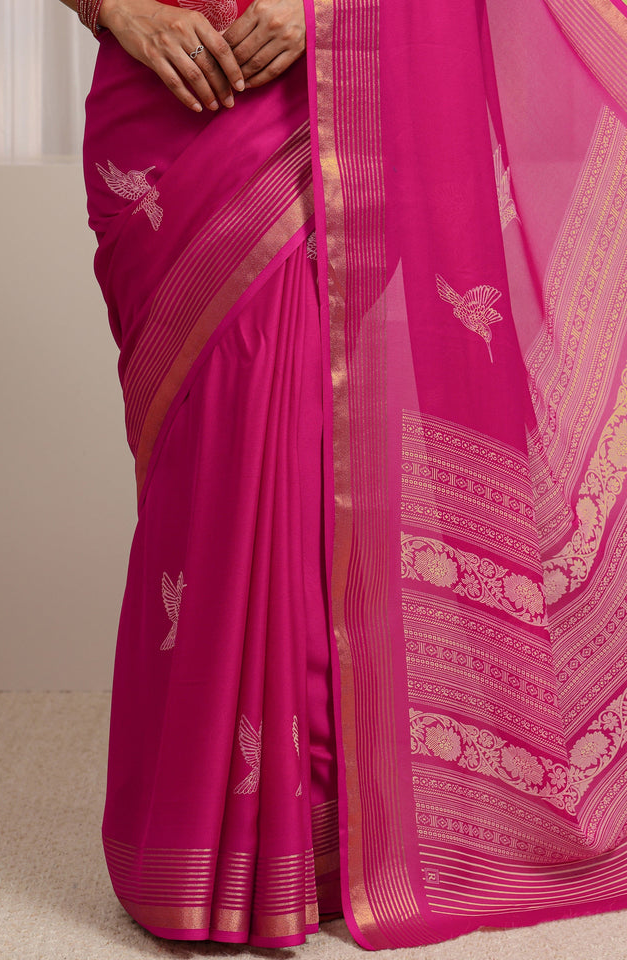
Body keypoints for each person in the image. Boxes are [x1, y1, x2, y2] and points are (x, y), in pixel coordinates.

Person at [61, 0, 627, 949]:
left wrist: (324, 7)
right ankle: (203, 838)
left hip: (324, 94)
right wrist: (115, 7)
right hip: (158, 100)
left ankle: (316, 840)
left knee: (306, 458)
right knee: (209, 473)